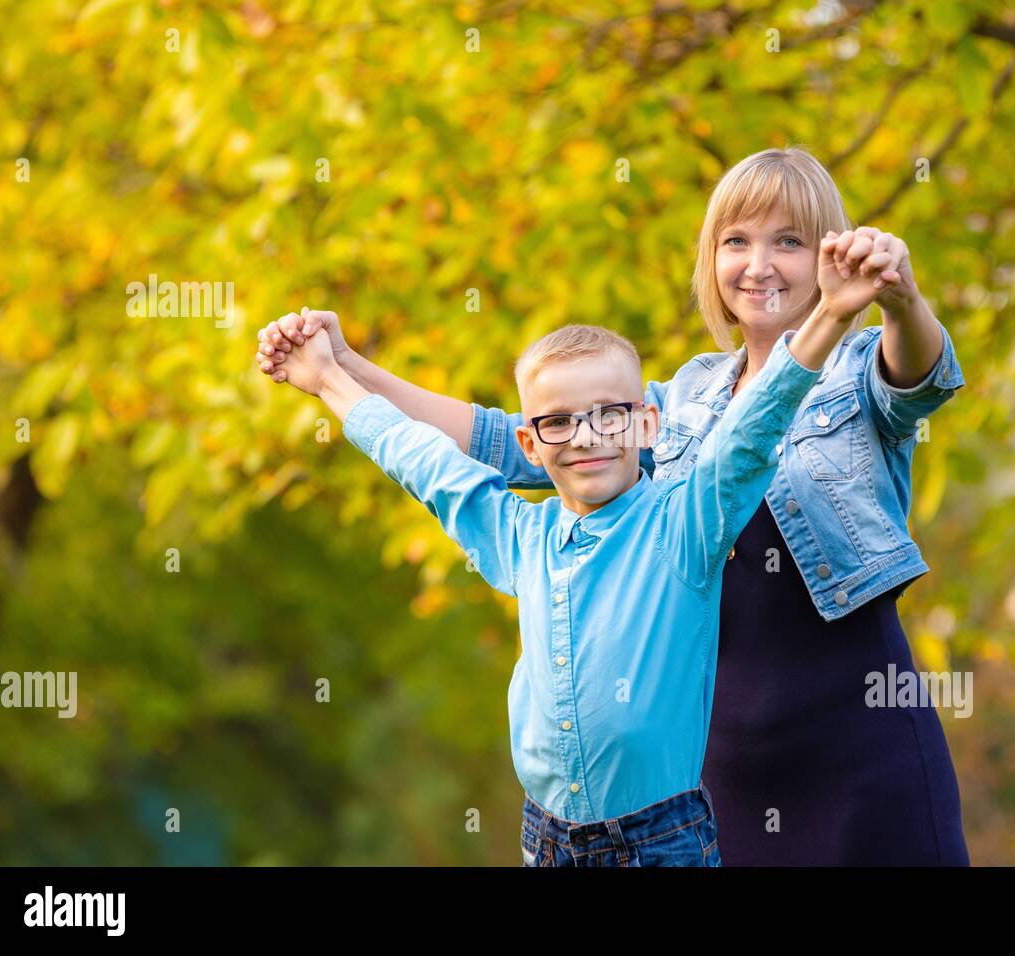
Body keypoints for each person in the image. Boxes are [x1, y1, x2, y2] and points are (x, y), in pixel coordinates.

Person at [257, 146, 970, 865]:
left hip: (859, 740)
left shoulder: (858, 368)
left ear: (826, 255)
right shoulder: (680, 399)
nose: (759, 264)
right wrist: (344, 366)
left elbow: (920, 373)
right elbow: (499, 442)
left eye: (788, 241)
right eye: (736, 241)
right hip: (720, 763)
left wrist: (899, 298)